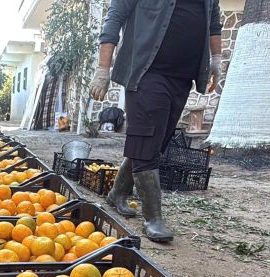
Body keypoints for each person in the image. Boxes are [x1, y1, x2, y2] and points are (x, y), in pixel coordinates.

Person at [91, 0, 224, 242]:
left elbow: (213, 23)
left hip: (183, 78)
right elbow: (114, 18)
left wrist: (216, 58)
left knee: (154, 142)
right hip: (146, 73)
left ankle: (117, 193)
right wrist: (103, 69)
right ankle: (153, 217)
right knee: (146, 141)